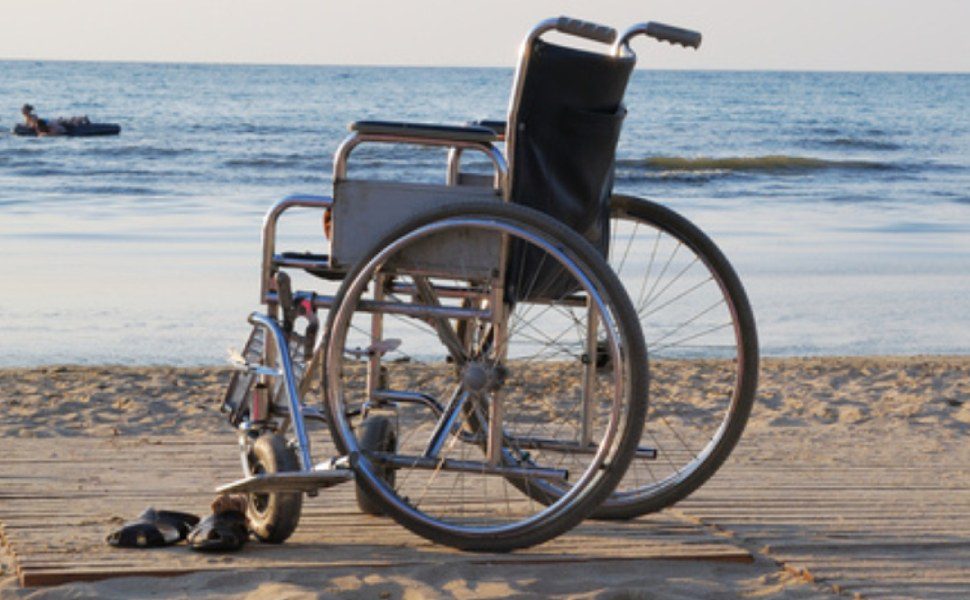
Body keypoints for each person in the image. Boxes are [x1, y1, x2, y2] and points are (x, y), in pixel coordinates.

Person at [21, 104, 89, 136]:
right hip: (47, 123)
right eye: (22, 110)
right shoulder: (27, 117)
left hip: (49, 122)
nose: (22, 112)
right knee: (65, 121)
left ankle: (82, 118)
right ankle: (81, 118)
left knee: (67, 121)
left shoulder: (33, 117)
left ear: (27, 111)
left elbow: (35, 125)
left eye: (23, 110)